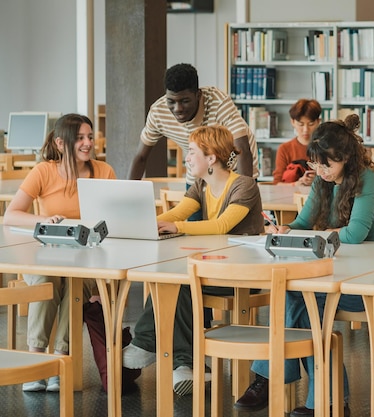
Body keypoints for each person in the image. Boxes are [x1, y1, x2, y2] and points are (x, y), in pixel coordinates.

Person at [234, 114, 374, 417]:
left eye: (327, 165)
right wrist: (287, 229)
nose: (321, 172)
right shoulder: (322, 179)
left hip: (364, 280)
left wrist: (307, 235)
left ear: (345, 157)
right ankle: (328, 401)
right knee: (299, 299)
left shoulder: (366, 177)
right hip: (329, 274)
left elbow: (355, 234)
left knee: (296, 298)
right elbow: (304, 221)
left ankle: (268, 376)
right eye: (316, 164)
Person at [122, 125, 265, 396]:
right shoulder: (201, 186)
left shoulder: (244, 185)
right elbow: (177, 214)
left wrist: (180, 228)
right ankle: (183, 364)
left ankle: (155, 347)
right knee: (173, 278)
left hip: (243, 274)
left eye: (192, 152)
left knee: (182, 281)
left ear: (211, 158)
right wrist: (140, 225)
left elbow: (222, 225)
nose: (187, 158)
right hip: (213, 270)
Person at [3, 113, 122, 392]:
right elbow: (11, 215)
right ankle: (35, 361)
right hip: (47, 257)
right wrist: (43, 220)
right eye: (80, 138)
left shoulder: (104, 171)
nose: (87, 143)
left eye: (90, 137)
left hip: (89, 259)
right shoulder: (44, 171)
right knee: (47, 280)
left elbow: (116, 220)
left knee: (75, 285)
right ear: (60, 143)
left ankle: (59, 362)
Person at [129, 62, 258, 188]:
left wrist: (243, 195)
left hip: (235, 167)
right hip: (198, 169)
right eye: (171, 101)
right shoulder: (158, 112)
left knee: (235, 205)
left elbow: (242, 149)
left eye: (185, 101)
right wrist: (127, 193)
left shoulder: (218, 103)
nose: (178, 108)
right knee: (193, 208)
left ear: (198, 95)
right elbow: (140, 157)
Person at [272, 98, 321, 186]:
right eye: (301, 124)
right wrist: (297, 184)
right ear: (293, 122)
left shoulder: (325, 147)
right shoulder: (285, 149)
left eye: (310, 124)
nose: (305, 130)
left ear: (318, 122)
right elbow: (277, 184)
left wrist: (318, 180)